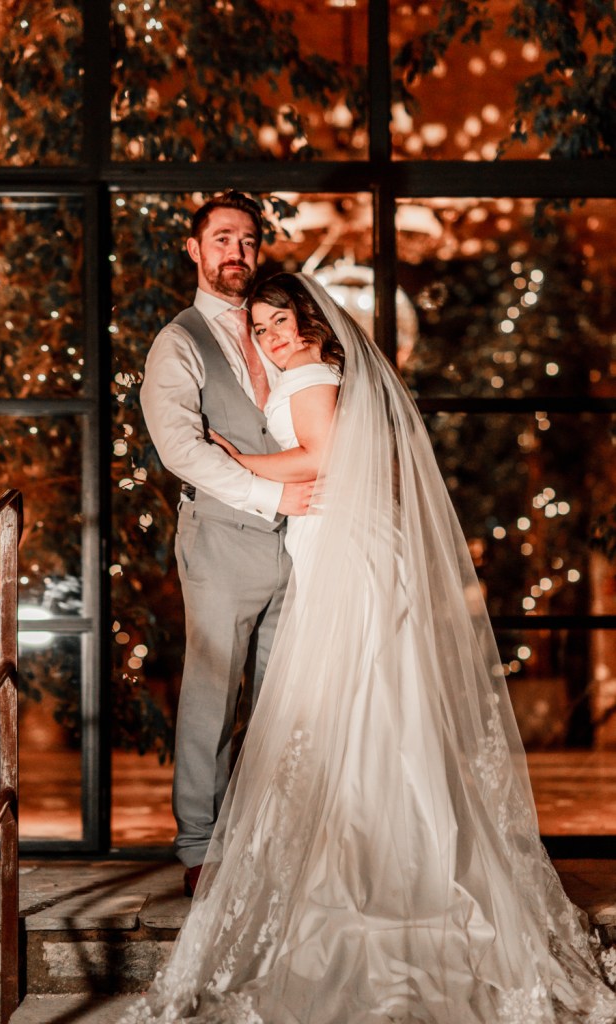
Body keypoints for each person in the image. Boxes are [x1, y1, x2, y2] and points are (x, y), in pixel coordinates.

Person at [127, 273, 616, 1023]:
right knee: (365, 703)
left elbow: (321, 460)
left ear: (311, 319)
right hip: (333, 544)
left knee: (364, 702)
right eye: (259, 328)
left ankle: (387, 866)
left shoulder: (314, 374)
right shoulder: (310, 373)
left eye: (281, 320)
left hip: (346, 549)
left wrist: (238, 462)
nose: (273, 336)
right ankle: (381, 850)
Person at [140, 196, 314, 898]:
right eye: (221, 239)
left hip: (305, 539)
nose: (235, 251)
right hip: (222, 539)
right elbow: (180, 447)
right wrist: (271, 495)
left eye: (246, 239)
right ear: (194, 249)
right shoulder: (177, 341)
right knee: (212, 696)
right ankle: (199, 846)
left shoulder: (279, 329)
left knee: (283, 698)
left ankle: (267, 834)